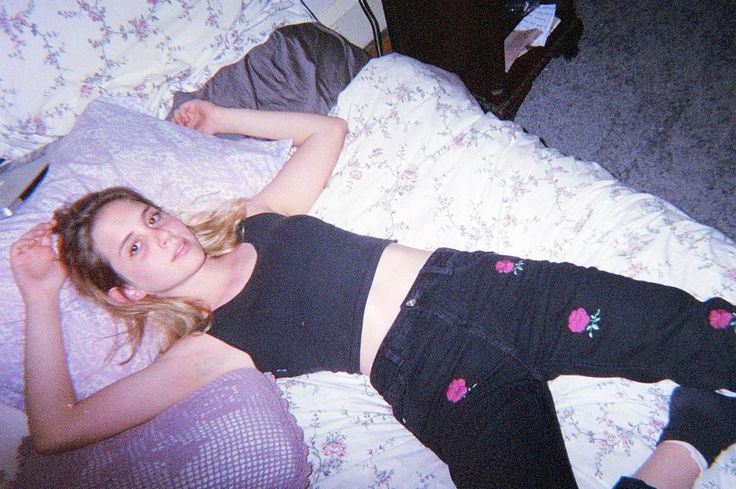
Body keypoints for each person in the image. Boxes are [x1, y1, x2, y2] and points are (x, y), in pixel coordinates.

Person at [9, 99, 736, 489]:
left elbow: (327, 131)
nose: (160, 233)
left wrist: (223, 119)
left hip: (491, 290)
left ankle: (705, 413)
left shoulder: (260, 218)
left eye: (149, 215)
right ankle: (693, 438)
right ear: (127, 290)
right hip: (441, 383)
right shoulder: (208, 347)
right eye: (135, 247)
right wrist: (39, 294)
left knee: (708, 330)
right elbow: (58, 429)